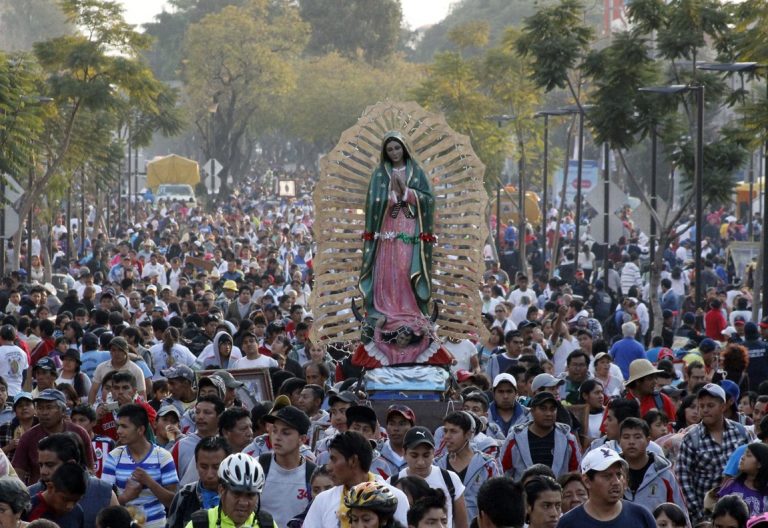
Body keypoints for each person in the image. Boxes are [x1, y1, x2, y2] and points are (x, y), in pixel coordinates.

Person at [358, 131, 436, 366]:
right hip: (386, 231)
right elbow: (372, 204)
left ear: (404, 148)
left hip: (410, 229)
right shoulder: (380, 174)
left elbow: (429, 199)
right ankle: (387, 309)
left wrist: (408, 193)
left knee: (404, 269)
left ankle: (409, 309)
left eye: (397, 148)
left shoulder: (416, 171)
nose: (394, 153)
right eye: (390, 149)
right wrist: (389, 197)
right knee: (388, 270)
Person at [677, 384, 751, 523]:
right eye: (701, 406)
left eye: (710, 405)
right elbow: (683, 479)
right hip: (705, 516)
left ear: (723, 406)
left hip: (741, 514)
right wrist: (700, 514)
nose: (705, 410)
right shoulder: (691, 439)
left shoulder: (741, 433)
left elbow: (754, 467)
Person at [304, 432, 409, 526]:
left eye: (334, 459)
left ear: (353, 461)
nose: (328, 467)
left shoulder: (396, 497)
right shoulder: (322, 500)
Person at [102, 403, 178, 528]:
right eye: (118, 426)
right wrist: (126, 496)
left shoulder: (163, 456)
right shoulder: (114, 457)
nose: (118, 431)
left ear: (141, 430)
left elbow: (172, 502)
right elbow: (104, 503)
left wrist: (149, 482)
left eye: (124, 426)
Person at [29, 432, 118, 527]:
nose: (43, 471)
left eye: (50, 465)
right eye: (41, 465)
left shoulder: (104, 493)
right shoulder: (28, 498)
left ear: (71, 464)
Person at [556, 447, 656, 527]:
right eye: (607, 476)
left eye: (618, 474)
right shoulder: (568, 523)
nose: (616, 482)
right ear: (587, 481)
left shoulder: (641, 516)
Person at [11, 389, 95, 485]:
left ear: (63, 411)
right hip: (39, 494)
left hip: (74, 493)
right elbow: (17, 474)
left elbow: (90, 470)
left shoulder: (79, 433)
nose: (44, 412)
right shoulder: (28, 437)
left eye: (49, 407)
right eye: (40, 408)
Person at [393, 426, 468, 528]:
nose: (420, 462)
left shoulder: (450, 479)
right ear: (404, 453)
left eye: (426, 455)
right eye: (414, 455)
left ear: (433, 453)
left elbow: (462, 524)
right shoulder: (393, 483)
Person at [434, 411, 500, 523]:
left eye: (453, 431)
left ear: (469, 434)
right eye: (445, 431)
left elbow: (497, 503)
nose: (447, 436)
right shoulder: (437, 465)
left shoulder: (487, 465)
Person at [500, 392, 581, 481]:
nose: (548, 414)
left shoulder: (568, 439)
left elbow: (575, 474)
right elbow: (503, 472)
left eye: (552, 409)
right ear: (532, 411)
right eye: (543, 409)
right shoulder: (514, 438)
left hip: (558, 493)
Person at [184, 452, 277, 528]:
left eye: (250, 495)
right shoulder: (199, 524)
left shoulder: (267, 524)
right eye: (237, 493)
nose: (243, 503)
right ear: (221, 490)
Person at [259, 406, 317, 527]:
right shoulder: (258, 467)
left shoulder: (313, 475)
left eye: (285, 433)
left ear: (302, 439)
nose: (277, 437)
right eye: (274, 431)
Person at [618, 417, 686, 517]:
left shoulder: (665, 474)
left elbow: (681, 513)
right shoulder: (613, 473)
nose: (631, 442)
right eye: (626, 437)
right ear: (619, 440)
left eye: (637, 437)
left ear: (648, 440)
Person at [167, 436, 232, 528]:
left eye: (216, 467)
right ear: (196, 465)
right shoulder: (184, 495)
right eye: (204, 467)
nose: (210, 474)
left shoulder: (239, 496)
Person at [23, 461, 87, 527]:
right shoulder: (28, 511)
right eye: (65, 499)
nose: (70, 506)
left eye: (76, 501)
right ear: (50, 487)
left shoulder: (77, 512)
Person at [718, 443, 768, 516]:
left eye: (748, 455)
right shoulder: (731, 483)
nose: (742, 457)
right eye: (743, 454)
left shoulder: (766, 492)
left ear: (759, 464)